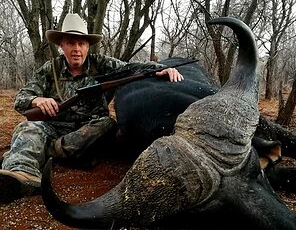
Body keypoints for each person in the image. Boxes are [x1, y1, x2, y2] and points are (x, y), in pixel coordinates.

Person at [0, 13, 184, 203]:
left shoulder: (102, 64)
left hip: (91, 130)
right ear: (61, 45)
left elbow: (132, 68)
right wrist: (37, 100)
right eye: (71, 43)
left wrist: (159, 68)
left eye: (81, 44)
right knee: (26, 128)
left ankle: (43, 151)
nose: (76, 49)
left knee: (107, 124)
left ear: (88, 46)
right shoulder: (49, 70)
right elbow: (20, 99)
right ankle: (21, 175)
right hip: (54, 128)